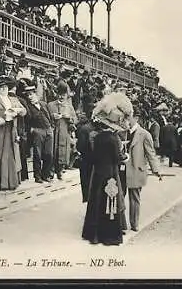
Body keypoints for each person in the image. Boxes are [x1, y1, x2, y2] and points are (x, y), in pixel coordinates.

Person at [82, 92, 133, 246]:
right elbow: (118, 159)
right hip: (110, 173)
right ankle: (109, 236)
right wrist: (126, 158)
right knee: (110, 203)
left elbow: (93, 157)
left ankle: (93, 234)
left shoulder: (96, 138)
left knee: (96, 201)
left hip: (98, 173)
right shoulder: (112, 139)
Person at [123, 106, 162, 232]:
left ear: (136, 118)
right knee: (119, 197)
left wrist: (156, 170)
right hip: (122, 169)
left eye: (128, 117)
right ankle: (121, 224)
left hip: (136, 169)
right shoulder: (121, 132)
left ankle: (134, 224)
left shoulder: (144, 134)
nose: (125, 120)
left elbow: (151, 153)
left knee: (134, 198)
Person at [22, 84, 54, 183]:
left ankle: (46, 174)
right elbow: (25, 122)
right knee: (37, 155)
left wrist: (52, 127)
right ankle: (38, 176)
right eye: (28, 95)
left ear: (36, 94)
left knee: (49, 154)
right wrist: (31, 129)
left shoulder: (44, 104)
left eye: (31, 94)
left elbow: (50, 116)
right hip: (38, 131)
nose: (29, 97)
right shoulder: (28, 107)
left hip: (48, 130)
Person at [47, 81, 77, 180]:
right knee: (52, 151)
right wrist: (52, 116)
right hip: (53, 131)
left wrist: (69, 118)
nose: (61, 97)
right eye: (59, 95)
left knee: (62, 151)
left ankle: (60, 171)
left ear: (67, 95)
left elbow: (75, 120)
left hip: (64, 131)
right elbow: (45, 118)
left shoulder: (69, 106)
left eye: (63, 95)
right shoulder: (50, 105)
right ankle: (50, 171)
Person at [75, 114, 96, 203]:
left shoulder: (84, 129)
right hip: (95, 161)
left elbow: (80, 147)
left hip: (86, 160)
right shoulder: (100, 129)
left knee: (86, 185)